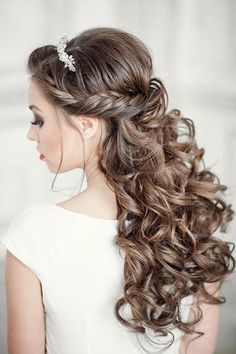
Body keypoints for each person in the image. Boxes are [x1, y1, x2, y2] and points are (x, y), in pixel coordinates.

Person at [1, 27, 235, 354]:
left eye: (38, 120)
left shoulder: (33, 235)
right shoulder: (194, 227)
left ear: (86, 124)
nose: (31, 134)